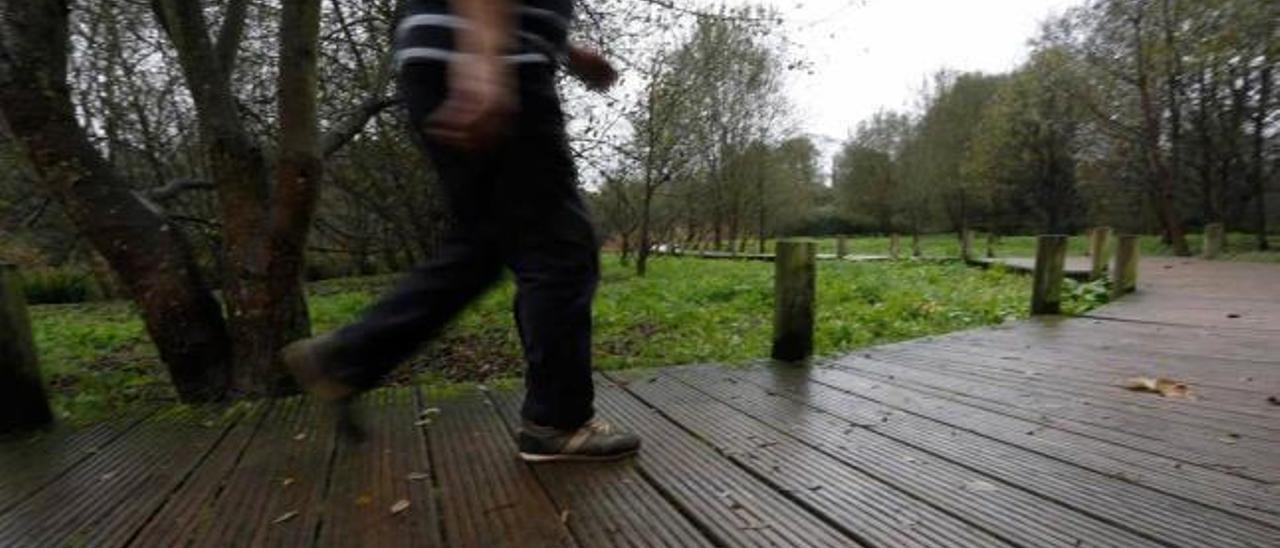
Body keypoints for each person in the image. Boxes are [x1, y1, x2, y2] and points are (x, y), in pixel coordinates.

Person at [283, 0, 640, 462]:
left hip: (445, 55)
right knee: (560, 251)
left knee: (486, 243)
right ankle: (558, 421)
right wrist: (484, 60)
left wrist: (565, 50)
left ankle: (346, 357)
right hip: (489, 60)